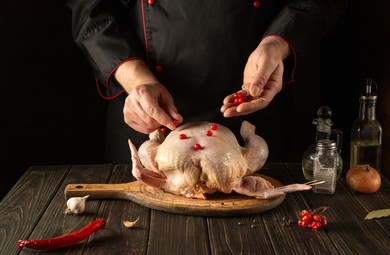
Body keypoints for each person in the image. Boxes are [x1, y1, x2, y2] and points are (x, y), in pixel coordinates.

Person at [66, 0, 348, 164]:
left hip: (252, 118)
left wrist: (277, 43)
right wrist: (136, 79)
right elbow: (91, 9)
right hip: (147, 120)